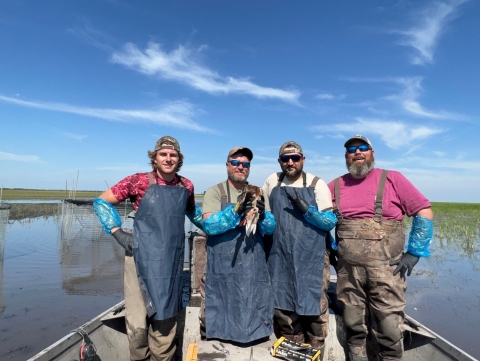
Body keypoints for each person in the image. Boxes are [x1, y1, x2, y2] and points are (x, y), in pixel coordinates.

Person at [92, 136, 203, 361]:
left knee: (165, 317)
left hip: (171, 260)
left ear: (179, 159)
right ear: (155, 157)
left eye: (173, 155)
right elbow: (101, 202)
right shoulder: (137, 181)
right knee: (137, 318)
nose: (168, 158)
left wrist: (229, 221)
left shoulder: (186, 186)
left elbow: (197, 216)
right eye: (163, 154)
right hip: (139, 257)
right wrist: (118, 233)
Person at [328, 135, 434, 361]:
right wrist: (330, 247)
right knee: (353, 325)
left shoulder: (392, 179)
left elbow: (423, 211)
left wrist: (414, 252)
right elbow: (321, 219)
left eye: (363, 148)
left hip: (388, 272)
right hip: (348, 274)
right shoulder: (335, 185)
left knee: (389, 328)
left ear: (372, 153)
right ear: (346, 157)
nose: (357, 152)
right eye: (351, 150)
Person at [262, 141, 337, 357]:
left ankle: (316, 351)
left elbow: (329, 221)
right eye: (285, 159)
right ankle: (292, 350)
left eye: (295, 158)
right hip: (279, 256)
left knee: (314, 308)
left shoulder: (317, 184)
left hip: (311, 258)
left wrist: (308, 211)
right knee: (283, 308)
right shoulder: (272, 182)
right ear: (280, 162)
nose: (290, 162)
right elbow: (267, 218)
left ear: (303, 159)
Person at [201, 146, 276, 343]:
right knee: (221, 301)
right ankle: (219, 337)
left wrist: (264, 216)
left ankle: (255, 335)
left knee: (252, 300)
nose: (240, 167)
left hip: (252, 263)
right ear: (227, 165)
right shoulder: (215, 192)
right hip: (223, 264)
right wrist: (235, 211)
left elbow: (269, 229)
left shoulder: (258, 192)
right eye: (235, 162)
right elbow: (209, 225)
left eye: (245, 164)